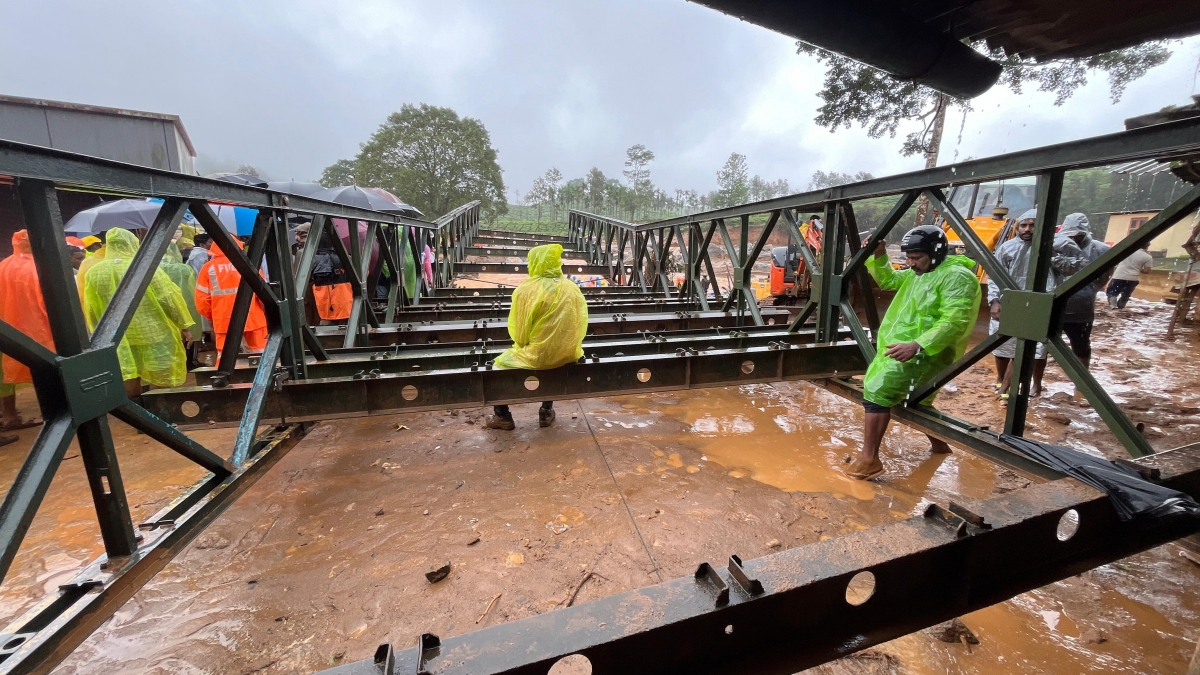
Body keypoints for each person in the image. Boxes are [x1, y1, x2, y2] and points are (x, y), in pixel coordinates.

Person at [847, 226, 981, 480]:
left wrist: (918, 344)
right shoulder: (921, 272)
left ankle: (869, 460)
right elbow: (888, 280)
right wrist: (880, 254)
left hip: (927, 351)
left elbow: (955, 320)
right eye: (908, 257)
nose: (911, 263)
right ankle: (940, 447)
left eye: (916, 257)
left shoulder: (956, 277)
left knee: (878, 389)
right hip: (905, 346)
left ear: (936, 251)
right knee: (919, 400)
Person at [486, 244, 588, 430]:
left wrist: (524, 346)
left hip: (540, 356)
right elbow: (580, 325)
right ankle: (546, 411)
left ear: (534, 263)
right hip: (569, 354)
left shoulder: (526, 290)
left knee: (496, 366)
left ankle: (502, 416)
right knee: (552, 363)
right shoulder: (573, 288)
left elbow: (520, 335)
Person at [987, 209, 1083, 398]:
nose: (1028, 229)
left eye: (1033, 225)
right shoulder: (1007, 247)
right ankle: (1001, 379)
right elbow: (995, 276)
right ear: (1018, 227)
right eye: (1023, 225)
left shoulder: (1060, 243)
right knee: (1002, 343)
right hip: (1011, 301)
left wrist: (1050, 253)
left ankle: (1033, 385)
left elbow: (1074, 267)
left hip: (1042, 302)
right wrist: (994, 300)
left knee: (1038, 348)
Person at [83, 228, 194, 391]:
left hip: (118, 337)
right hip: (153, 333)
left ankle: (135, 413)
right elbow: (168, 298)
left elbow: (91, 306)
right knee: (161, 375)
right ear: (133, 243)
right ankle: (157, 411)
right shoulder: (145, 268)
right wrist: (184, 326)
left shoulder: (93, 272)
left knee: (128, 373)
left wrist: (97, 333)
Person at [0, 230, 55, 446]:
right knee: (46, 368)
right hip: (38, 328)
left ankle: (10, 414)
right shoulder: (40, 266)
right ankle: (55, 414)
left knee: (5, 374)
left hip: (6, 330)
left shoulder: (3, 266)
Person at [196, 237, 268, 358]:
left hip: (223, 319)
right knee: (261, 354)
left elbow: (202, 300)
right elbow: (264, 294)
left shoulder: (208, 268)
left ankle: (231, 377)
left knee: (225, 357)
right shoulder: (249, 264)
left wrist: (212, 316)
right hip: (253, 318)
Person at [1057, 213, 1111, 368]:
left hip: (1082, 307)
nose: (1073, 239)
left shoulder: (1101, 250)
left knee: (1081, 345)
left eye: (1077, 236)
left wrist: (1089, 290)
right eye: (1070, 236)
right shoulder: (1057, 246)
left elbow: (1103, 278)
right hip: (1054, 305)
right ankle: (1036, 384)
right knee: (1041, 347)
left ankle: (1081, 383)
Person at [160, 242, 204, 369]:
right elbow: (193, 288)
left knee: (170, 335)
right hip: (186, 304)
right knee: (191, 333)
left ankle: (173, 364)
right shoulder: (184, 269)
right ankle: (190, 362)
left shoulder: (154, 269)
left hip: (164, 306)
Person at [311, 232, 353, 323]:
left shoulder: (312, 260)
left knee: (325, 333)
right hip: (346, 305)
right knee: (348, 331)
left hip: (324, 307)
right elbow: (364, 274)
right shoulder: (346, 259)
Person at [1107, 242, 1153, 309]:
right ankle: (1121, 307)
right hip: (1133, 278)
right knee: (1126, 295)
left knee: (1112, 292)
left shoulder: (1126, 252)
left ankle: (1113, 306)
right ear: (1147, 247)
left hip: (1119, 276)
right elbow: (1147, 271)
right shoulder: (1148, 257)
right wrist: (1138, 268)